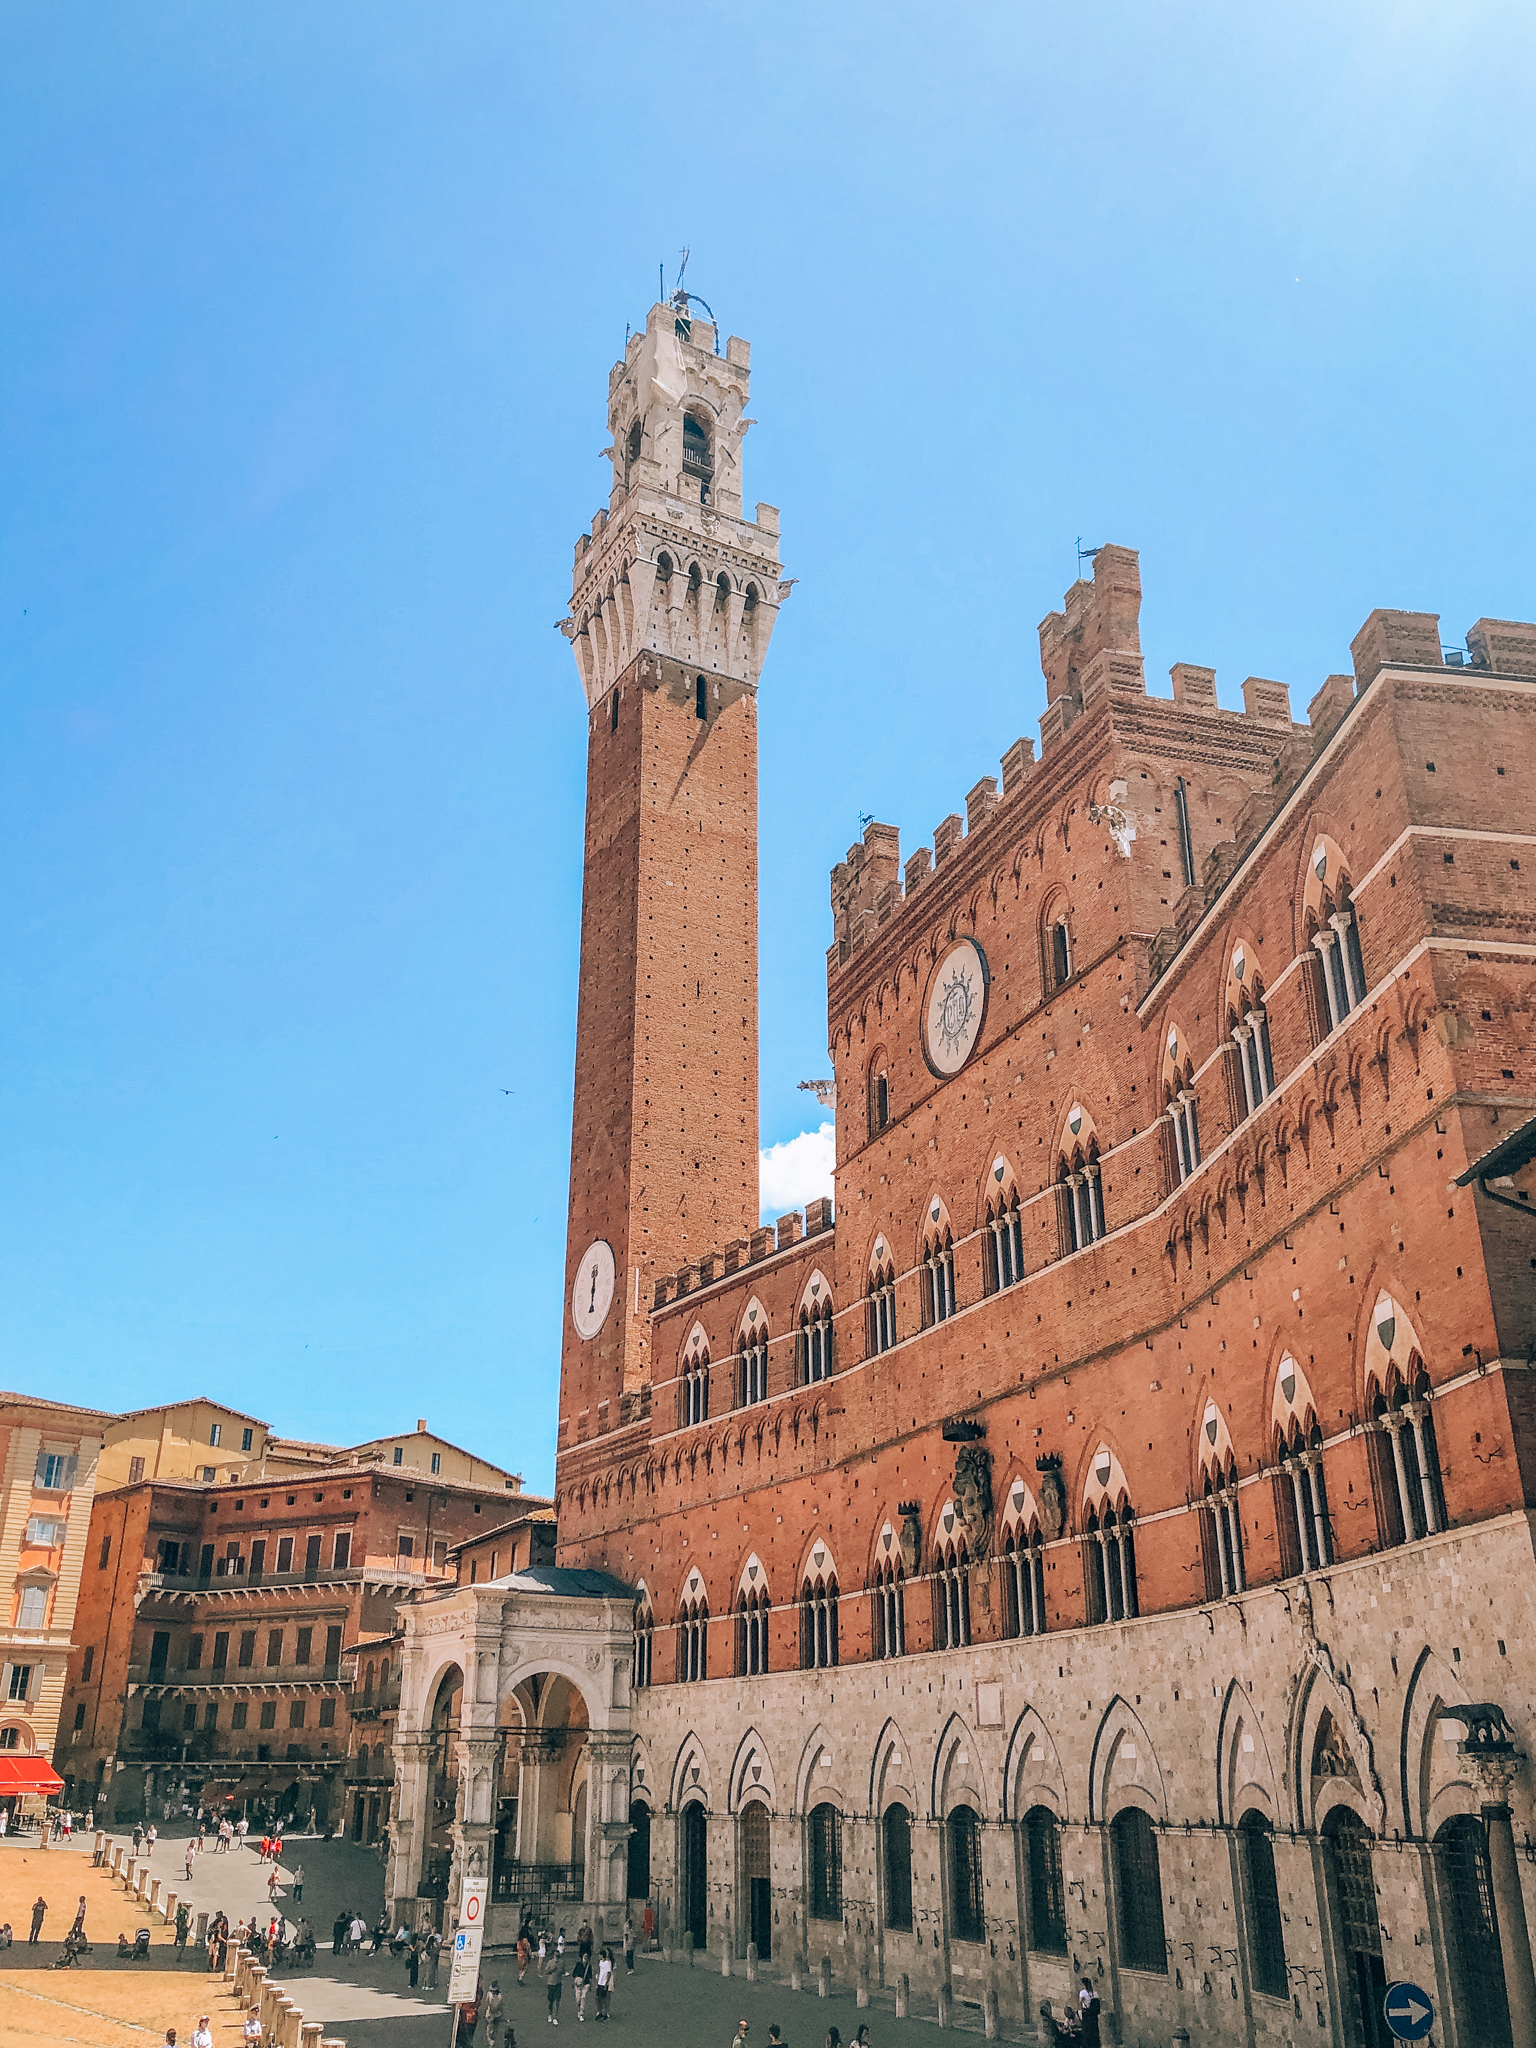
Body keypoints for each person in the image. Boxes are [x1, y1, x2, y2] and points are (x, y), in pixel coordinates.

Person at [542, 1943, 566, 2025]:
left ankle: (555, 2017)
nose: (557, 1958)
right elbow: (546, 1972)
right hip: (551, 1983)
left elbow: (563, 1971)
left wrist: (562, 1972)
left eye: (558, 1956)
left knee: (557, 2000)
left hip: (558, 1983)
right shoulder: (550, 1962)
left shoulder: (562, 1962)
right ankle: (550, 2014)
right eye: (556, 1956)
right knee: (551, 2001)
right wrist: (552, 1969)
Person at [1078, 1979, 1102, 2048]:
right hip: (1093, 2015)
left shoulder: (1083, 1992)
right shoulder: (1094, 1993)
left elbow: (1080, 2001)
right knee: (1093, 2031)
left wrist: (1081, 2011)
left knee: (1087, 2032)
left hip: (1087, 2014)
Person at [570, 1951, 590, 2022]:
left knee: (583, 1997)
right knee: (578, 1998)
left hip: (585, 1983)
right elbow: (574, 1973)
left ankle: (581, 2013)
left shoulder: (589, 1966)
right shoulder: (578, 1964)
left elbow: (590, 1976)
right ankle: (579, 2010)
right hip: (578, 1984)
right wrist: (577, 1980)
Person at [595, 1947, 613, 2021]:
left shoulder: (608, 1963)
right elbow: (600, 1971)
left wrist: (606, 1982)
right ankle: (600, 2012)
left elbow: (608, 1973)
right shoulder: (601, 1962)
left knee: (604, 1998)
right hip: (599, 1982)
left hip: (604, 1983)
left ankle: (605, 2013)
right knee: (598, 1998)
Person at [425, 1926, 442, 1990]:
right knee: (430, 1969)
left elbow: (439, 1946)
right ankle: (429, 1983)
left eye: (435, 1929)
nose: (434, 1930)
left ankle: (434, 1981)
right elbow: (427, 1945)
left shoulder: (438, 1936)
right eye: (433, 1929)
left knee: (434, 1969)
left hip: (435, 1954)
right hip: (431, 1954)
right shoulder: (429, 1937)